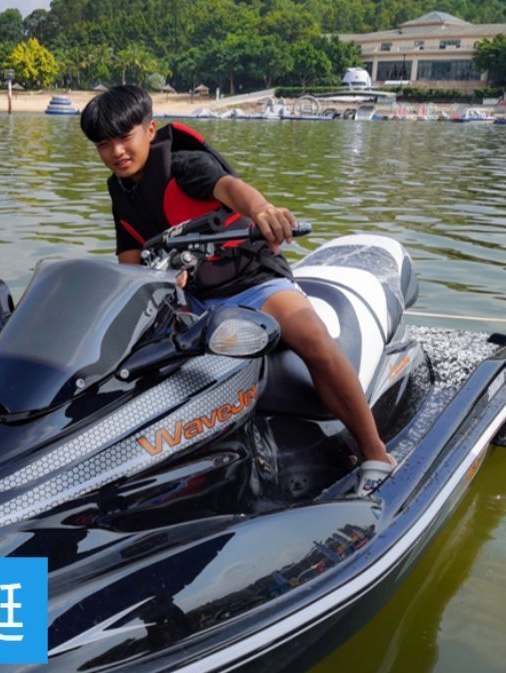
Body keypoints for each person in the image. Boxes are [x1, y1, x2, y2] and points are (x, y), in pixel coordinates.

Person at [80, 85, 394, 495]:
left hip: (250, 279)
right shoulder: (120, 190)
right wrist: (151, 281)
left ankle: (374, 452)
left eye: (125, 137)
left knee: (312, 337)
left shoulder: (183, 164)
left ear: (150, 130)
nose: (116, 152)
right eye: (104, 144)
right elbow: (129, 255)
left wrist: (263, 211)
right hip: (191, 296)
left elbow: (231, 189)